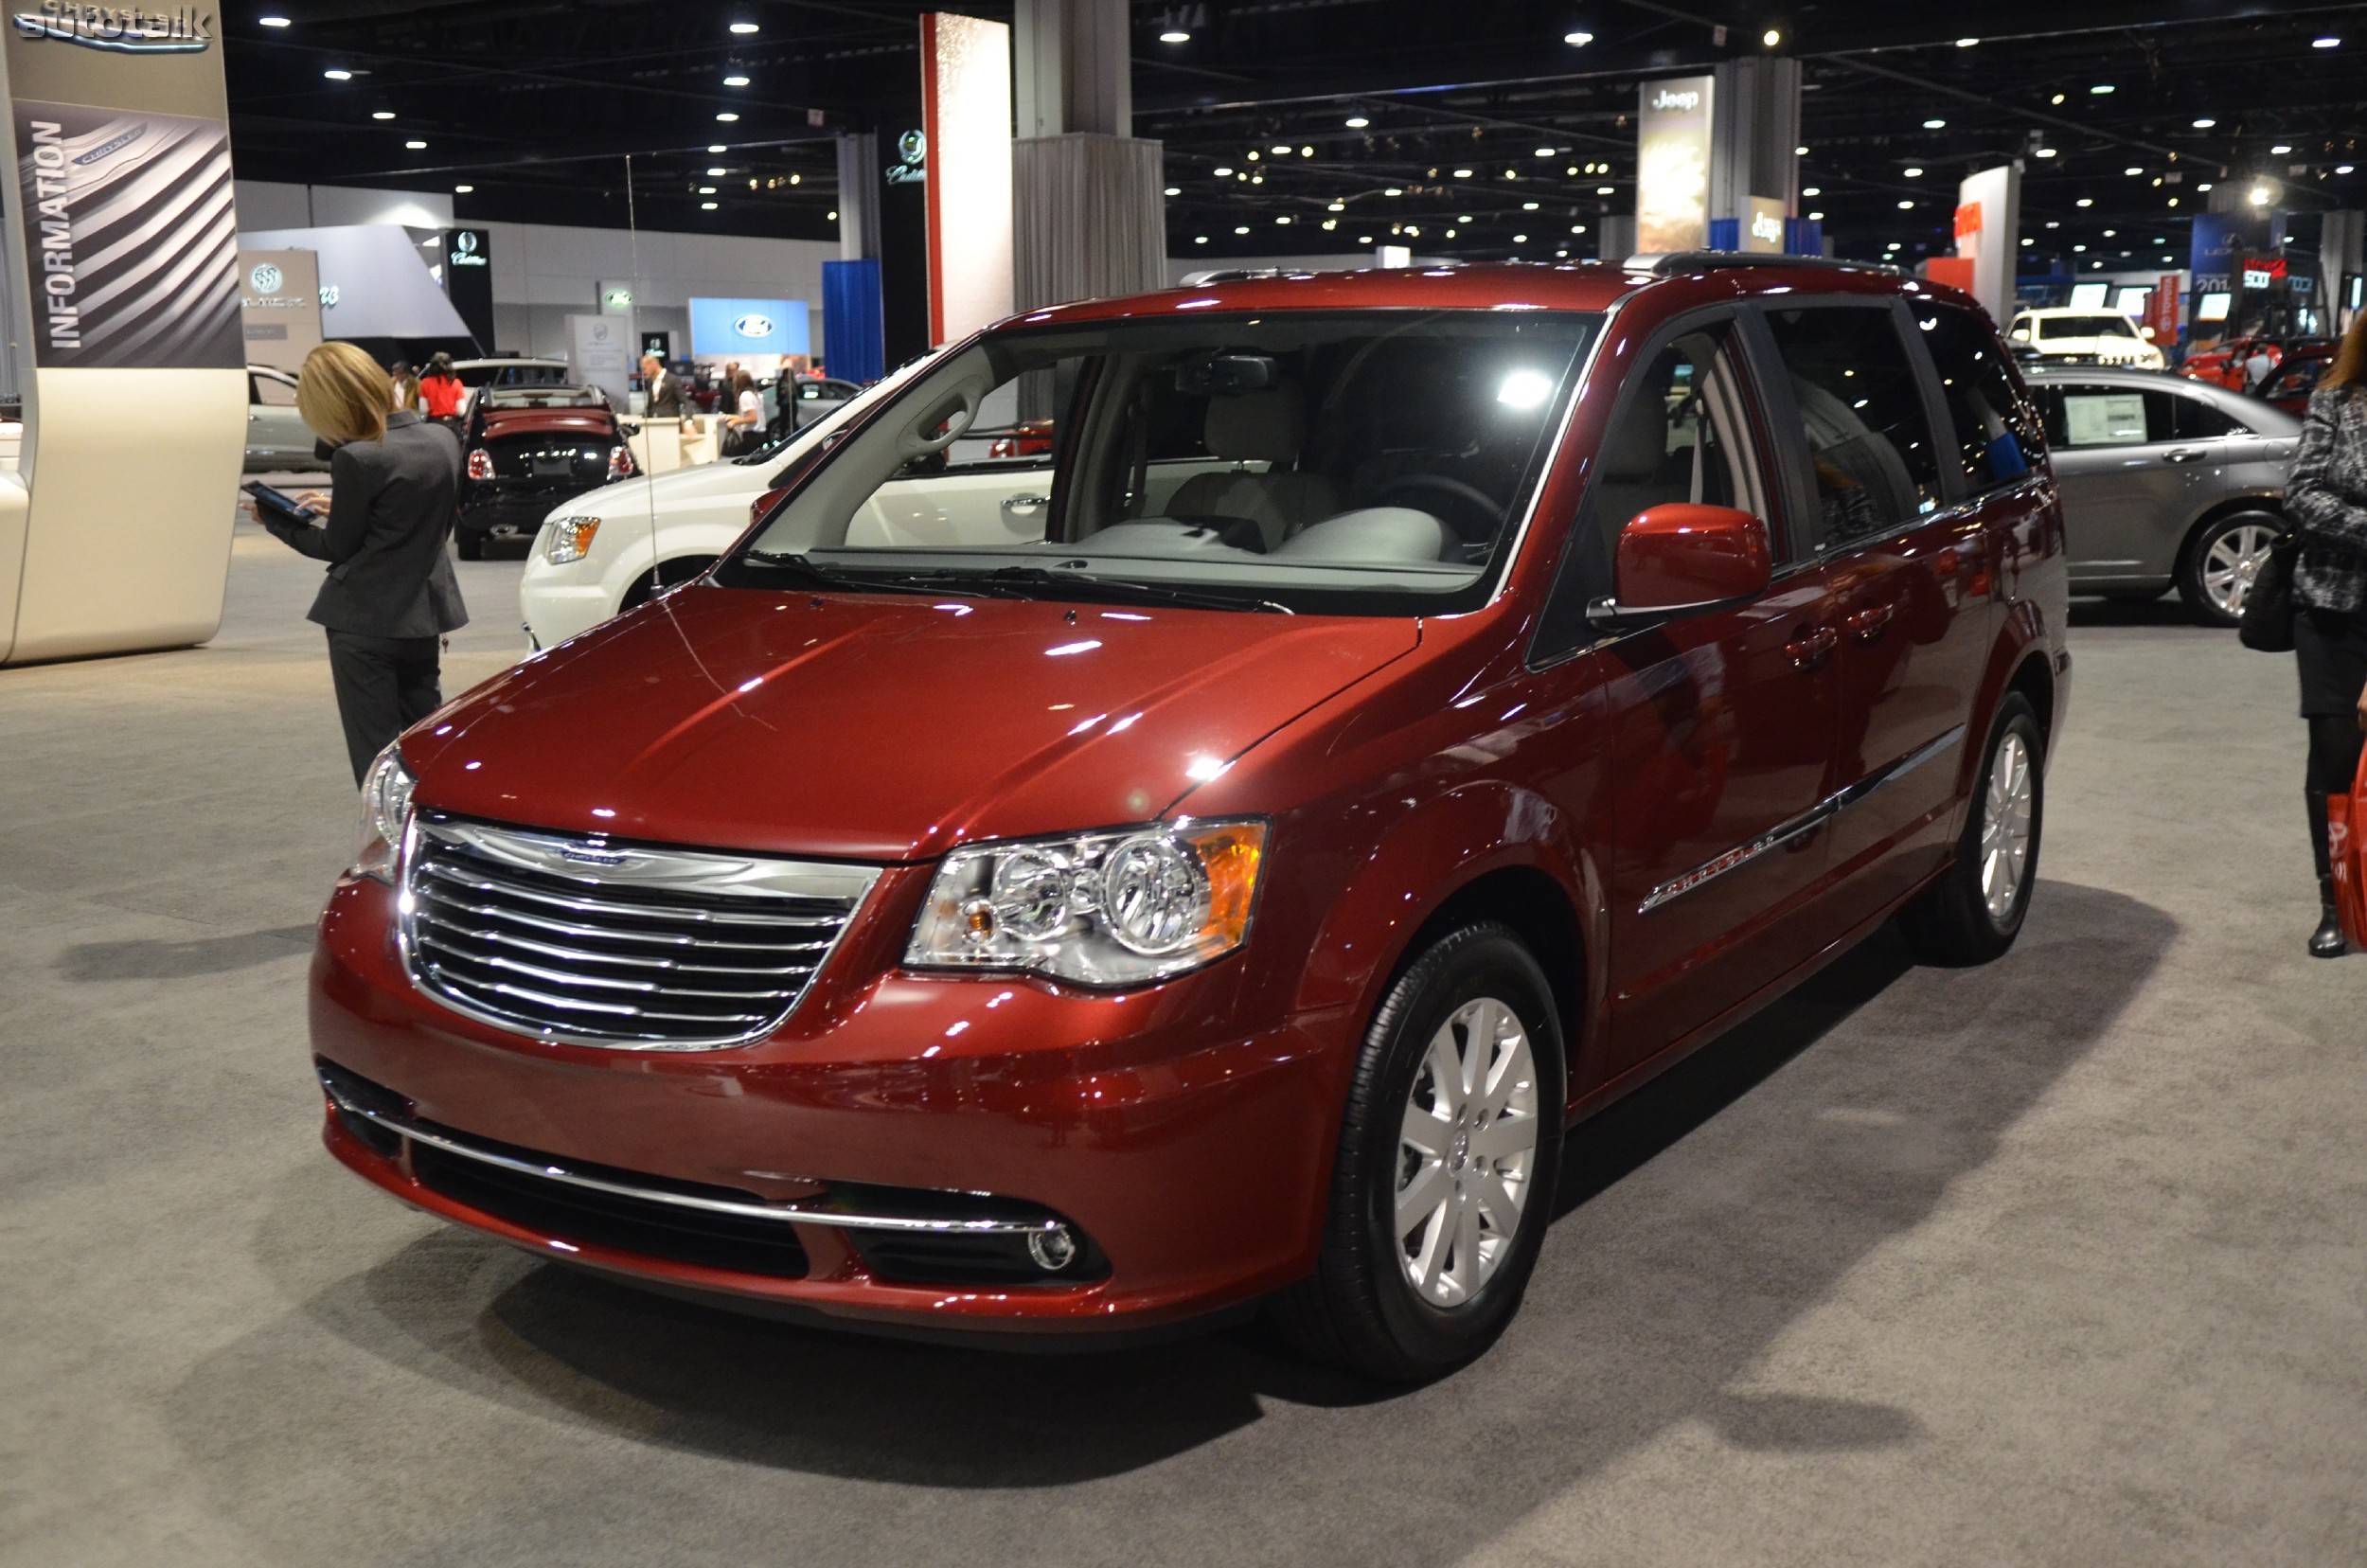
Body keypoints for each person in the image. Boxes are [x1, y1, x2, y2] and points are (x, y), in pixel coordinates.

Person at [244, 341, 470, 786]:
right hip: (423, 619)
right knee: (427, 747)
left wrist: (275, 520)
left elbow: (336, 548)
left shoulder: (356, 457)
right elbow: (425, 526)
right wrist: (348, 507)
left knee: (377, 758)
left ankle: (383, 849)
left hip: (364, 624)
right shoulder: (443, 440)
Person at [2281, 310, 2367, 956]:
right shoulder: (2334, 401)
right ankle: (2336, 903)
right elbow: (2302, 495)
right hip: (2332, 607)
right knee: (2334, 755)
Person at [721, 368, 763, 455]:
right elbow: (750, 415)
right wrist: (732, 417)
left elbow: (752, 418)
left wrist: (734, 422)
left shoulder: (745, 396)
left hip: (752, 435)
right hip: (760, 434)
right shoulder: (756, 394)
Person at [418, 351, 466, 425]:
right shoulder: (456, 382)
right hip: (451, 423)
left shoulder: (425, 383)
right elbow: (461, 411)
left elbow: (423, 410)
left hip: (433, 423)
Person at [641, 353, 687, 418]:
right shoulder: (650, 382)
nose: (644, 372)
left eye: (645, 368)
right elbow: (650, 405)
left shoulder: (673, 380)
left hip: (670, 422)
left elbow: (685, 402)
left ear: (653, 365)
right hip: (653, 422)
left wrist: (688, 421)